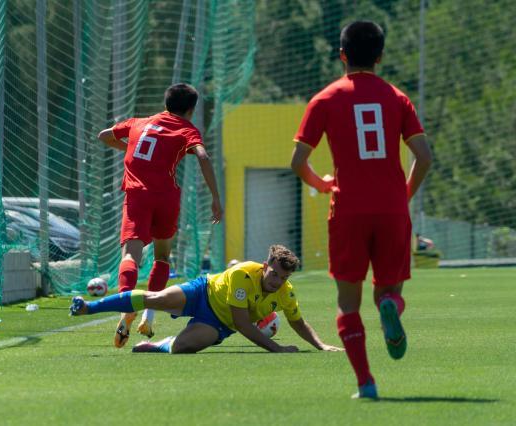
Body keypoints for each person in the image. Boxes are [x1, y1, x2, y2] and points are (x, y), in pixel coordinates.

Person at [290, 21, 432, 399]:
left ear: (342, 55)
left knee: (347, 302)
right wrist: (404, 195)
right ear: (380, 56)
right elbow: (424, 156)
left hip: (348, 208)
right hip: (391, 208)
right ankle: (389, 305)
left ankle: (366, 383)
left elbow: (297, 161)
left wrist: (320, 184)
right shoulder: (398, 98)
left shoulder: (325, 99)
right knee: (388, 290)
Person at [96, 83, 223, 348]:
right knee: (163, 256)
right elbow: (203, 155)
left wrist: (130, 149)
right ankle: (149, 315)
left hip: (137, 196)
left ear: (166, 103)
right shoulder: (187, 129)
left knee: (131, 255)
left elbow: (104, 135)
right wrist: (215, 197)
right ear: (190, 109)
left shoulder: (138, 122)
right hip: (166, 197)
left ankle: (125, 307)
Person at [70, 244, 342, 354]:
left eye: (283, 278)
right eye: (274, 274)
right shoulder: (241, 274)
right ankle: (89, 307)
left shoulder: (285, 293)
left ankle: (159, 344)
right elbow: (244, 324)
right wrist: (277, 349)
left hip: (219, 324)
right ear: (264, 265)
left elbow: (298, 322)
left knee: (182, 349)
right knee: (157, 298)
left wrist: (321, 345)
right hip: (203, 292)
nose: (277, 282)